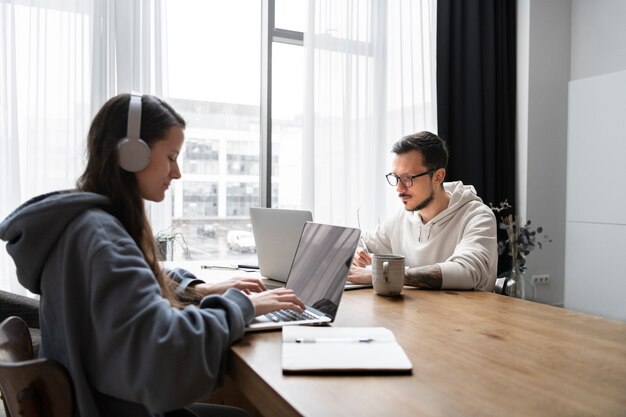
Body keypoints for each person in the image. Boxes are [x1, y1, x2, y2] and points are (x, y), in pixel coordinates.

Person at [0, 93, 305, 417]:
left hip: (94, 399)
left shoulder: (81, 226)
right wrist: (241, 306)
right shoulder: (103, 240)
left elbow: (127, 282)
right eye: (172, 156)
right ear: (132, 154)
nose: (177, 173)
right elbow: (165, 357)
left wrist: (195, 290)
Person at [348, 131, 497, 291]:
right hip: (415, 313)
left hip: (466, 313)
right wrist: (357, 252)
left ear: (438, 177)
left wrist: (384, 275)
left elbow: (467, 271)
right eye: (396, 177)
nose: (399, 188)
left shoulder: (477, 217)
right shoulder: (402, 217)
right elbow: (362, 242)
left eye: (408, 178)